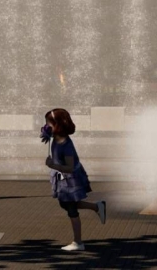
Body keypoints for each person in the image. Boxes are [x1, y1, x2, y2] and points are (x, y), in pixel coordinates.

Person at [40, 108, 106, 252]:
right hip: (62, 177)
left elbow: (69, 167)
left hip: (70, 179)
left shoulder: (66, 145)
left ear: (57, 124)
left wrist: (53, 165)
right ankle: (97, 207)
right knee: (65, 204)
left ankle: (78, 242)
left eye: (48, 123)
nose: (45, 126)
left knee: (70, 208)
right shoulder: (56, 138)